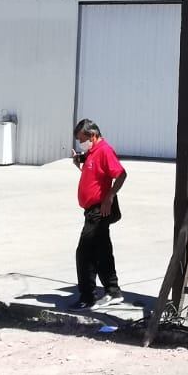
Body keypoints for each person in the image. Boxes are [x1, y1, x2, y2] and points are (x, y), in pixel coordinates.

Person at [69, 118, 126, 309]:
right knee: (102, 251)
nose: (81, 143)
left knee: (84, 253)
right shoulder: (92, 152)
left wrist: (109, 197)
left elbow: (121, 174)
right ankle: (113, 291)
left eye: (82, 139)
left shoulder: (104, 151)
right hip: (91, 210)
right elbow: (93, 176)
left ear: (93, 135)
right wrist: (79, 164)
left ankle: (87, 297)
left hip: (98, 210)